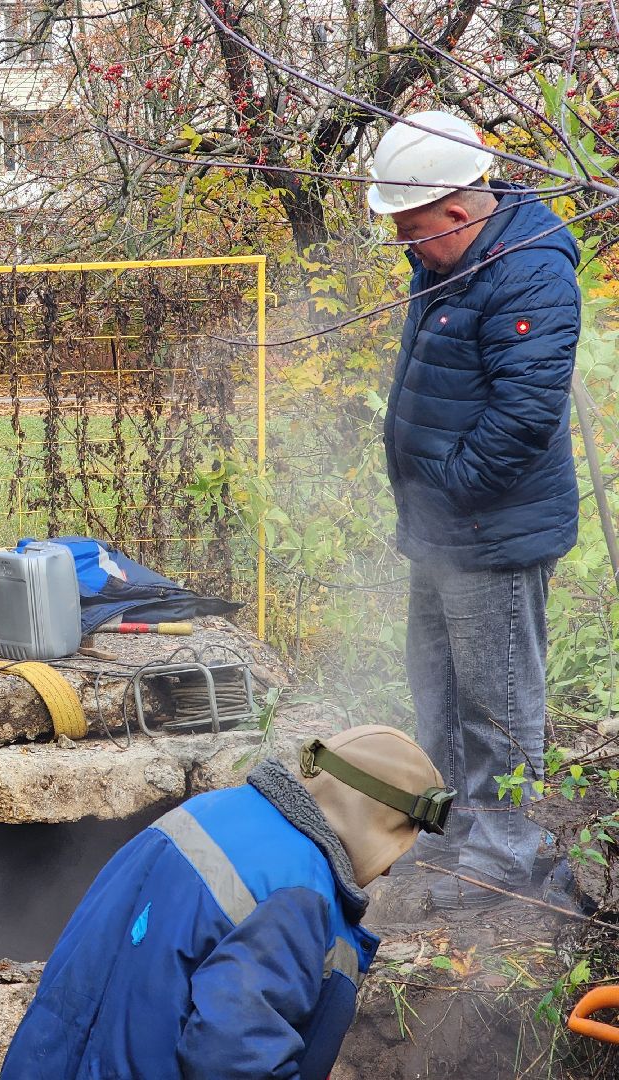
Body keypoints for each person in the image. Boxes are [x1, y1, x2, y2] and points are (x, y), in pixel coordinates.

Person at [368, 111, 580, 908]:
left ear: (458, 212)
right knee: (440, 688)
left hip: (490, 531)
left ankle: (501, 861)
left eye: (413, 230)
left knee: (497, 704)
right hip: (443, 530)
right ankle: (450, 829)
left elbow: (524, 417)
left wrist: (446, 489)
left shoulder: (528, 271)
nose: (406, 246)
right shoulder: (452, 259)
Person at [1, 726, 451, 1080]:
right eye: (396, 844)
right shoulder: (295, 893)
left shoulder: (215, 811)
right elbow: (234, 1061)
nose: (389, 869)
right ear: (371, 821)